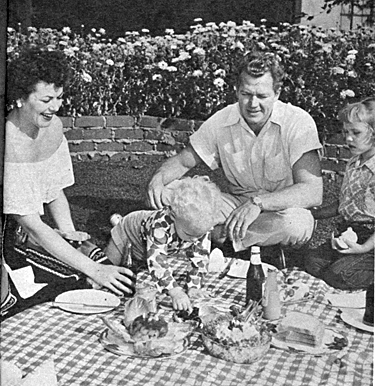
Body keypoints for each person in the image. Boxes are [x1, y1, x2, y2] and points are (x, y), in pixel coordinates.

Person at [147, 51, 323, 257]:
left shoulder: (298, 121)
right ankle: (242, 239)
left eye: (262, 96)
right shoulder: (222, 120)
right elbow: (183, 161)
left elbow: (312, 192)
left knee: (296, 224)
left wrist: (258, 203)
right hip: (235, 204)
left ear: (277, 93)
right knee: (169, 191)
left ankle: (217, 236)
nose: (253, 104)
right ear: (236, 91)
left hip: (281, 208)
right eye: (246, 94)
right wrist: (157, 180)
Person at [2, 48, 134, 317]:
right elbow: (32, 225)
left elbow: (54, 193)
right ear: (20, 98)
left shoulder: (53, 128)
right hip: (10, 240)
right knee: (70, 284)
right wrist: (93, 269)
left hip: (25, 234)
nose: (55, 107)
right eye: (46, 99)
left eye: (59, 98)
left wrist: (72, 236)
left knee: (94, 271)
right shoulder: (8, 140)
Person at [105, 176, 222, 312]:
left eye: (200, 236)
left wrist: (194, 287)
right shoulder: (159, 226)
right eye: (189, 235)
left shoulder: (199, 226)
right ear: (173, 217)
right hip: (127, 234)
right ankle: (87, 253)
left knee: (138, 270)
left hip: (147, 245)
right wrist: (175, 291)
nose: (195, 241)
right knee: (109, 269)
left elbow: (200, 257)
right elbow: (157, 262)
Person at [304, 98, 375, 290]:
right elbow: (344, 202)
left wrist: (364, 247)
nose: (348, 138)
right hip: (349, 233)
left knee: (339, 276)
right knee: (311, 262)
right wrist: (313, 214)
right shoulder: (353, 163)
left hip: (371, 241)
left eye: (356, 132)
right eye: (345, 132)